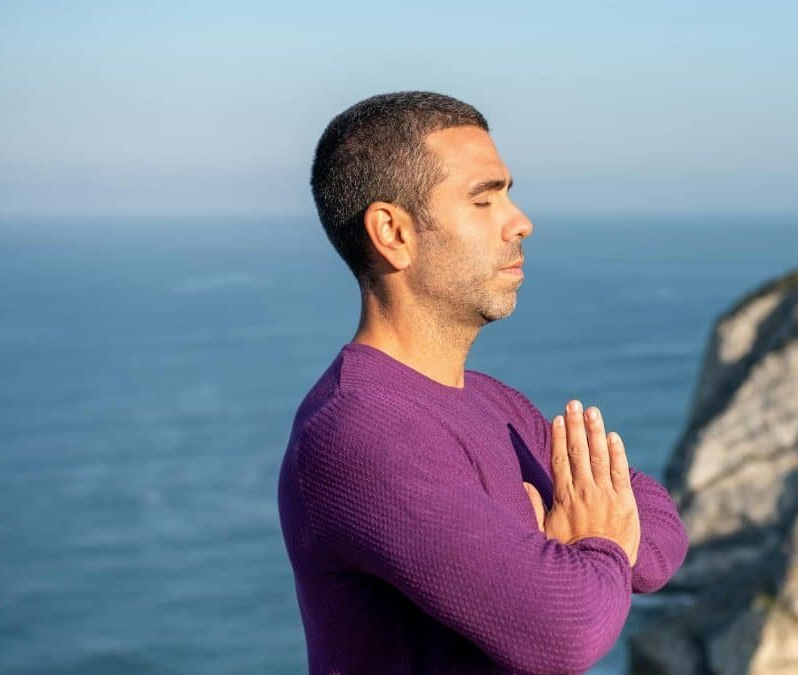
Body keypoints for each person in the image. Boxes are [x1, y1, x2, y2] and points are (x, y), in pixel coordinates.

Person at [277, 91, 689, 674]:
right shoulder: (358, 433)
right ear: (392, 233)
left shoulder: (494, 402)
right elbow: (567, 631)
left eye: (508, 194)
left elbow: (661, 534)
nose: (520, 221)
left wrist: (574, 551)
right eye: (483, 199)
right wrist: (586, 545)